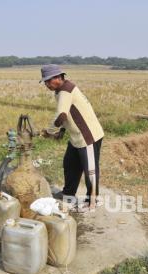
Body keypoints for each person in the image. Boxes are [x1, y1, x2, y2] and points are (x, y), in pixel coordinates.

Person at [40, 64, 104, 210]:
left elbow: (61, 114)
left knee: (90, 170)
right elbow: (67, 113)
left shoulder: (66, 91)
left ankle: (92, 201)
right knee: (70, 164)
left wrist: (49, 131)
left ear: (57, 78)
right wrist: (61, 131)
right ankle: (68, 194)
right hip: (76, 136)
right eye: (45, 82)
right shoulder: (61, 90)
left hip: (88, 136)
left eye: (48, 81)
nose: (46, 84)